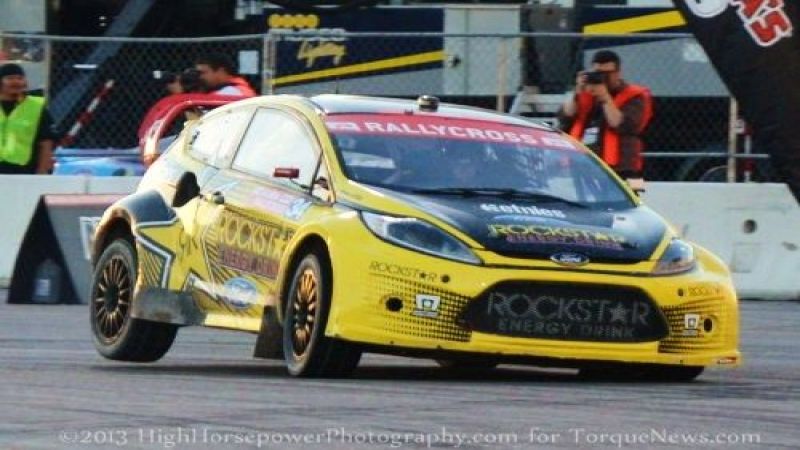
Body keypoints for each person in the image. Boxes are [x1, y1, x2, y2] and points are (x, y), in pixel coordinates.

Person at [559, 50, 653, 179]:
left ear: (618, 73)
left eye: (607, 73)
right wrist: (577, 91)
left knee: (634, 197)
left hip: (624, 166)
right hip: (584, 162)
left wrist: (605, 97)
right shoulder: (586, 92)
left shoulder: (636, 95)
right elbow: (565, 117)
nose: (603, 77)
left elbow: (623, 125)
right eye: (598, 73)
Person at [0, 63, 56, 174]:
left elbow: (46, 143)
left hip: (25, 171)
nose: (16, 82)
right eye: (10, 78)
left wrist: (42, 172)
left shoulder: (36, 107)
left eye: (20, 78)